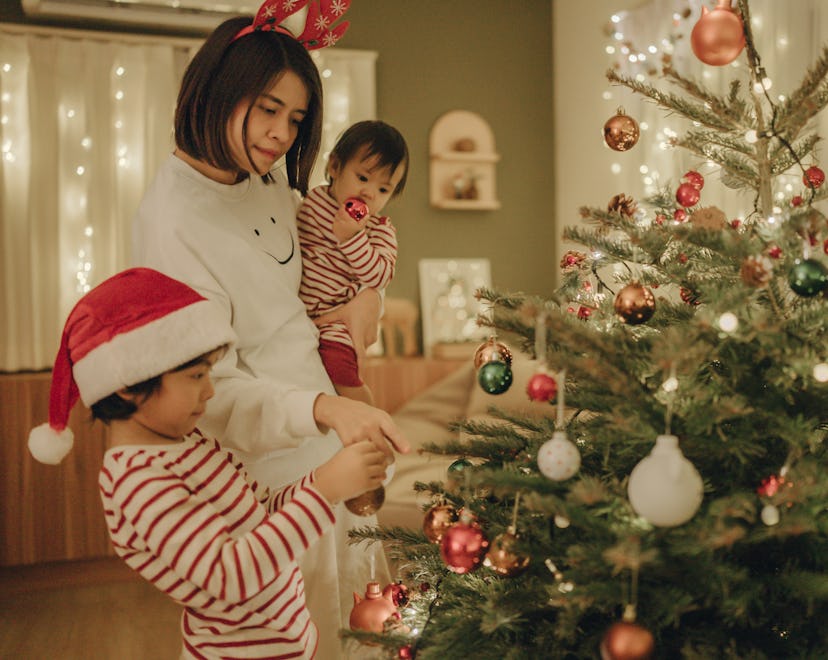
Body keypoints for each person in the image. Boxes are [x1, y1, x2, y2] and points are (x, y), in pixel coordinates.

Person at [130, 2, 410, 656]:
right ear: (218, 89)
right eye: (267, 109)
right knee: (287, 635)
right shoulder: (169, 221)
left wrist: (371, 297)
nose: (282, 133)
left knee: (355, 625)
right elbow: (212, 392)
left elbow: (341, 253)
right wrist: (321, 408)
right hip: (262, 479)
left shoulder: (267, 186)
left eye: (297, 118)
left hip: (326, 438)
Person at [27, 267, 390, 659]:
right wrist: (324, 491)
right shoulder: (138, 481)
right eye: (196, 376)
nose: (211, 390)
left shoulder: (187, 444)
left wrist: (326, 478)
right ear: (128, 385)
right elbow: (229, 576)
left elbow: (260, 511)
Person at [297, 120, 409, 404]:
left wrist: (353, 238)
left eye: (383, 190)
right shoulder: (311, 203)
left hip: (340, 318)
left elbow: (380, 276)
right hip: (298, 314)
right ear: (334, 167)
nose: (369, 194)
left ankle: (368, 414)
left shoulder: (379, 229)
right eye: (362, 178)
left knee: (339, 369)